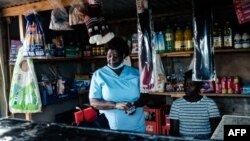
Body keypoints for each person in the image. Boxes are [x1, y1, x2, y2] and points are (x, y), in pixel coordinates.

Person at [89, 37, 146, 133]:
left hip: (137, 128)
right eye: (109, 56)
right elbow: (94, 102)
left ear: (123, 55)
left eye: (115, 56)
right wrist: (115, 105)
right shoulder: (99, 75)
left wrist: (134, 105)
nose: (112, 59)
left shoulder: (136, 73)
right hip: (111, 130)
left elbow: (146, 97)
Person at [169, 69, 221, 139]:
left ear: (199, 86)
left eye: (191, 84)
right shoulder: (176, 104)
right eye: (185, 84)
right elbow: (174, 132)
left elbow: (216, 132)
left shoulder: (210, 104)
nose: (187, 87)